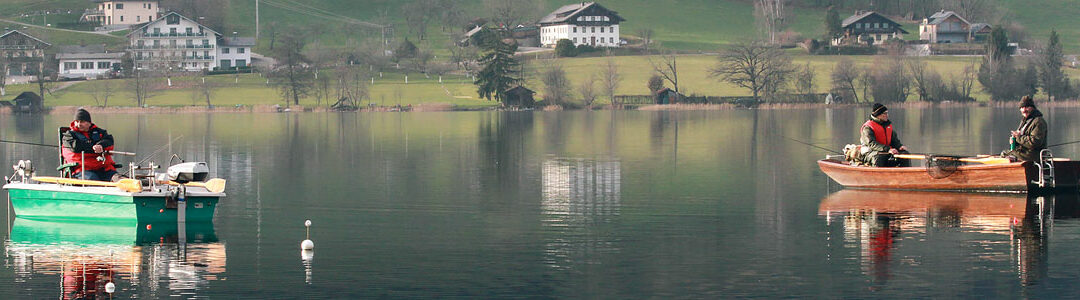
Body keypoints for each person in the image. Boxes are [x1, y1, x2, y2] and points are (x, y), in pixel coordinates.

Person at [62, 108, 120, 181]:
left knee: (120, 180)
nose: (79, 124)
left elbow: (109, 141)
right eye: (77, 121)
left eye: (82, 121)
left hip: (104, 168)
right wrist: (93, 148)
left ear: (89, 123)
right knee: (93, 180)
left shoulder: (100, 132)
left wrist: (101, 145)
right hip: (82, 170)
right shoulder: (68, 136)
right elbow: (76, 147)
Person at [861, 103, 909, 167]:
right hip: (871, 152)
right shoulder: (867, 127)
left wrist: (899, 146)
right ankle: (879, 174)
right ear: (878, 115)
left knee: (904, 154)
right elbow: (871, 143)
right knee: (879, 158)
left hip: (886, 151)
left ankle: (904, 173)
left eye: (887, 113)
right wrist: (887, 149)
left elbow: (894, 140)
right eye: (885, 113)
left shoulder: (888, 126)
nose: (887, 115)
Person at [1002, 96, 1047, 162]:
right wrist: (1014, 141)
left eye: (1027, 107)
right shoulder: (1025, 121)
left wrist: (1018, 137)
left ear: (1032, 108)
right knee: (1005, 153)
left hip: (1033, 155)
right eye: (1022, 108)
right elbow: (1021, 139)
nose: (1024, 110)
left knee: (1004, 154)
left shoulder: (1038, 121)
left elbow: (1034, 142)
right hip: (1024, 153)